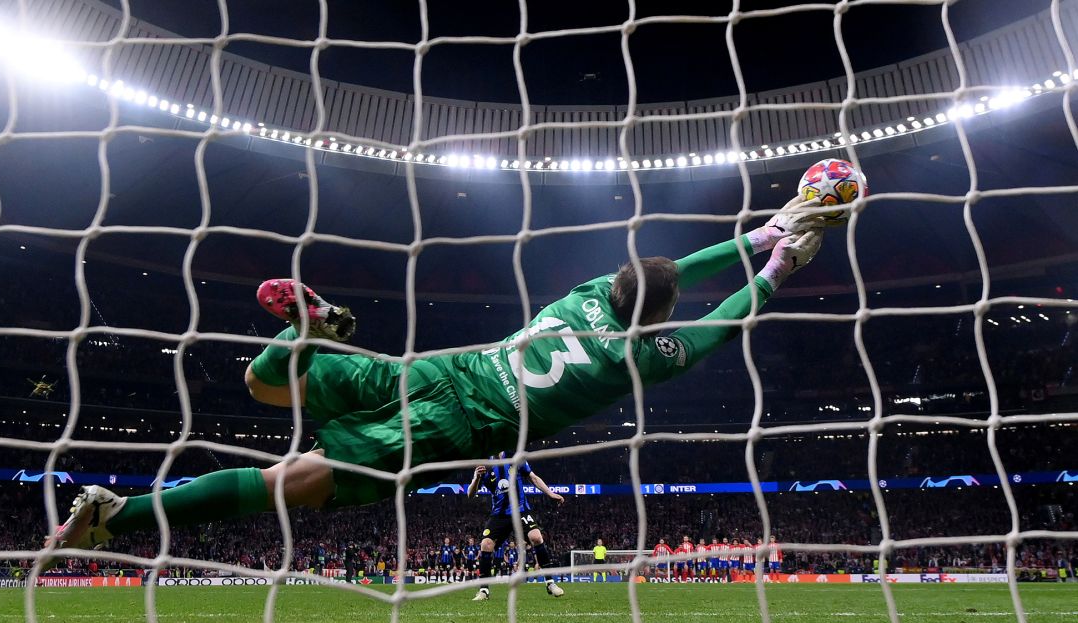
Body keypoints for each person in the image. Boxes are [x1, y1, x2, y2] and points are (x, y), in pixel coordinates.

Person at [49, 198, 829, 563]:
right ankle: (119, 516)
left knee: (268, 388)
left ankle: (299, 337)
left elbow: (673, 269)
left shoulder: (590, 291)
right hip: (458, 430)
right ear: (654, 322)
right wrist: (778, 265)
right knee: (293, 481)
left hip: (443, 368)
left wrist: (755, 230)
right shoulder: (643, 354)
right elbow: (722, 320)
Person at [466, 451, 565, 600]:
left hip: (521, 511)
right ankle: (483, 590)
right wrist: (476, 478)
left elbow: (533, 477)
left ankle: (550, 583)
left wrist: (550, 493)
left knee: (536, 537)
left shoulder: (515, 458)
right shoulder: (486, 465)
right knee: (486, 544)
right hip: (500, 515)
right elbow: (470, 494)